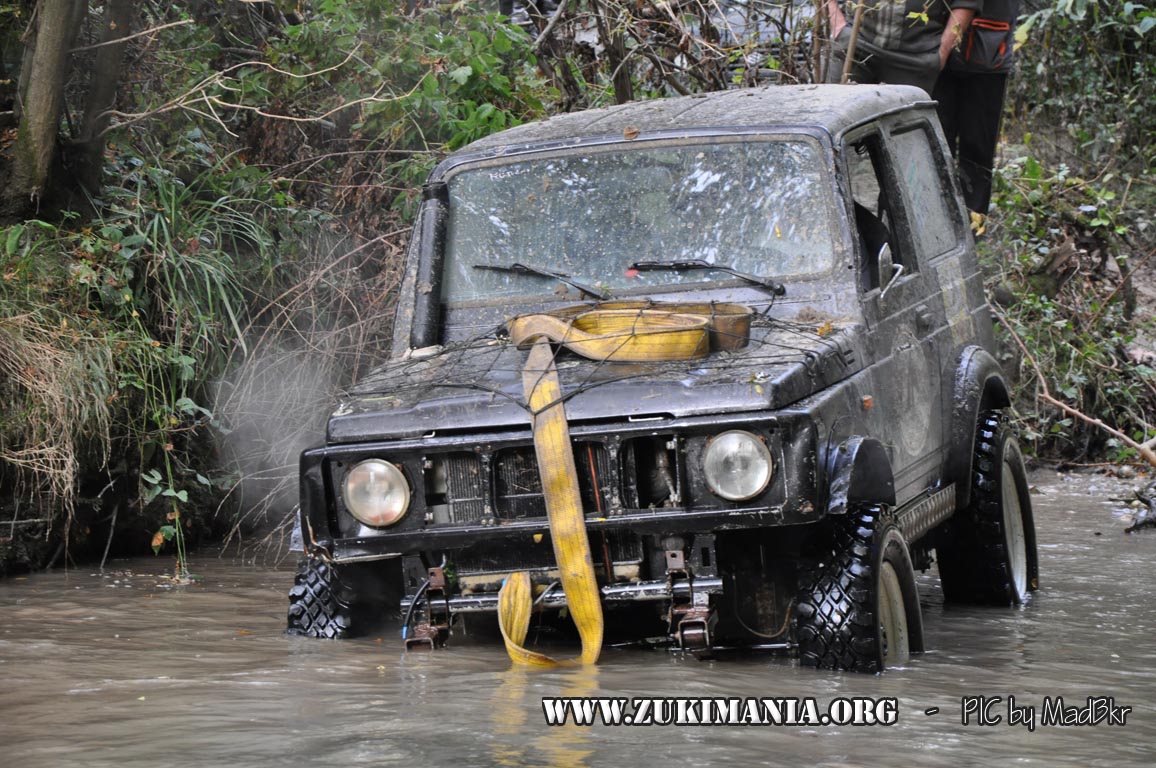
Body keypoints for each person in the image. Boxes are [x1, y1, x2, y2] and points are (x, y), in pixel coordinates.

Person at [933, 0, 1020, 214]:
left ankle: (973, 225)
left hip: (986, 55)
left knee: (977, 150)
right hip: (935, 49)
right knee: (934, 142)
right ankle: (933, 220)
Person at [824, 0, 983, 96]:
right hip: (855, 44)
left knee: (905, 137)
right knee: (837, 127)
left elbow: (967, 3)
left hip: (915, 56)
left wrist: (941, 53)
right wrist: (838, 26)